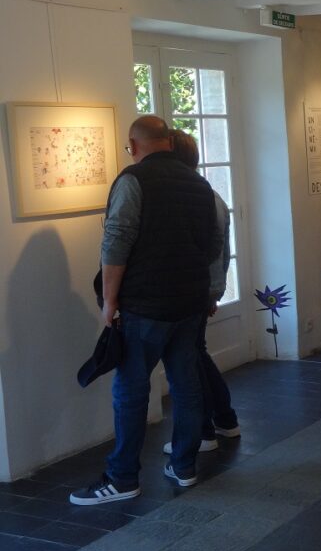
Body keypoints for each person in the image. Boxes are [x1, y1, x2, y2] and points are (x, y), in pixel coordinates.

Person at [70, 116, 221, 505]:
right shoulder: (200, 184)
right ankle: (184, 465)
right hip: (188, 302)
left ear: (134, 146)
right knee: (186, 385)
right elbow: (210, 245)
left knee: (131, 391)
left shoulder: (133, 180)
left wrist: (110, 301)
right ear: (168, 141)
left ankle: (122, 478)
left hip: (145, 304)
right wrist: (205, 293)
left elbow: (116, 242)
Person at [161, 130, 240, 458]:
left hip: (194, 290)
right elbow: (220, 251)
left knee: (189, 361)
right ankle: (223, 418)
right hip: (204, 287)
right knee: (197, 354)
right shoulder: (208, 193)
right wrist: (215, 288)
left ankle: (205, 430)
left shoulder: (197, 196)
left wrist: (208, 290)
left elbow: (210, 250)